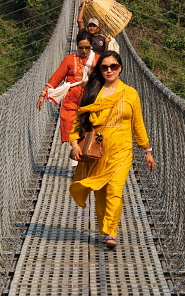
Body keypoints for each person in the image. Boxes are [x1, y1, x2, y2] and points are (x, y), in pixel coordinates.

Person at [68, 50, 156, 248]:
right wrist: (74, 145)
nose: (109, 70)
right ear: (100, 69)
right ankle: (103, 229)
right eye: (105, 67)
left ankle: (110, 232)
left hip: (122, 151)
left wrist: (147, 151)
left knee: (114, 191)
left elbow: (138, 124)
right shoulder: (92, 92)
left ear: (120, 68)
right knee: (100, 192)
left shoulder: (130, 94)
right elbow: (77, 122)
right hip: (97, 152)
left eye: (113, 66)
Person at [36, 30, 97, 168]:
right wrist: (42, 94)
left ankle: (86, 164)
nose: (84, 50)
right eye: (81, 47)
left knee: (87, 133)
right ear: (77, 46)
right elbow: (56, 77)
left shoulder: (97, 60)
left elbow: (107, 78)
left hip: (90, 102)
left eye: (87, 47)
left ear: (92, 46)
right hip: (70, 102)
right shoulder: (69, 59)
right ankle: (76, 167)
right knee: (71, 132)